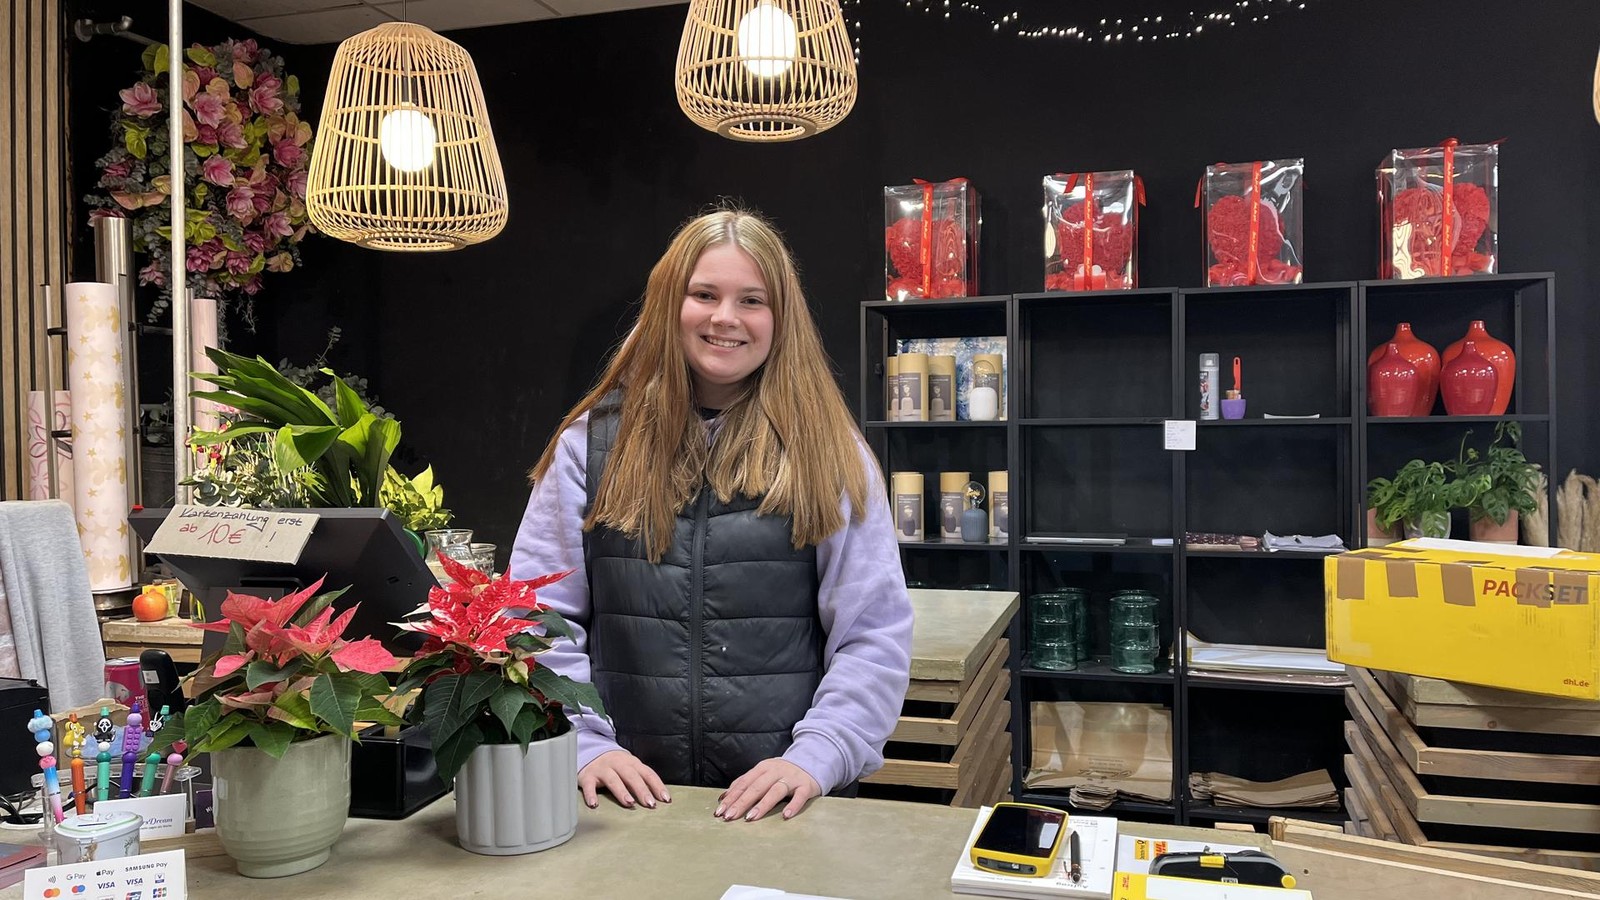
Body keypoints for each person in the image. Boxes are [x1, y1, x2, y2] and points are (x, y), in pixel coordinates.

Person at [510, 207, 913, 825]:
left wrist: (819, 754)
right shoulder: (588, 447)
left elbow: (874, 632)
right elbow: (536, 615)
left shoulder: (829, 452)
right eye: (705, 294)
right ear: (671, 305)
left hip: (785, 808)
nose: (726, 317)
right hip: (618, 804)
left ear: (782, 319)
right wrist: (580, 743)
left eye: (752, 299)